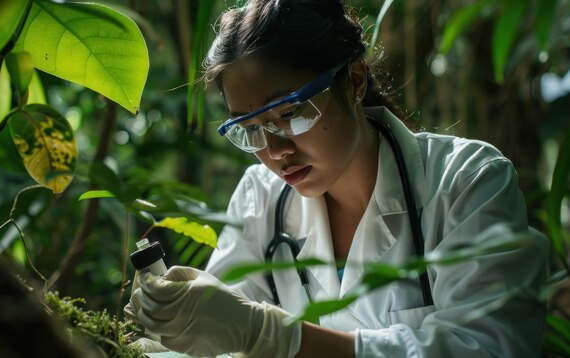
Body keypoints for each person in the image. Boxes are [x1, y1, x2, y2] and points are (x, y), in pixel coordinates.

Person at [126, 0, 548, 357]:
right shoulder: (260, 199)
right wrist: (174, 324)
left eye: (290, 113)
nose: (275, 151)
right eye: (250, 128)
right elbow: (221, 337)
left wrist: (278, 337)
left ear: (355, 82)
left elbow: (490, 344)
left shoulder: (465, 182)